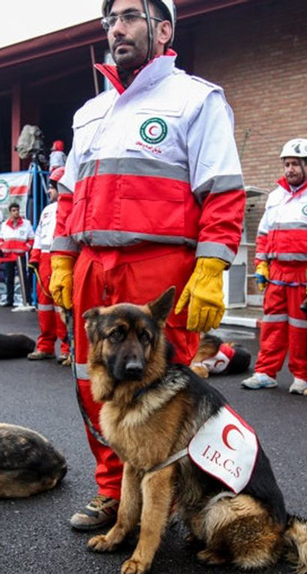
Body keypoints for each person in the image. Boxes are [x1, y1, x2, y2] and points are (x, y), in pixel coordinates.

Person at [49, 0, 245, 531]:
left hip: (160, 269)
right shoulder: (90, 113)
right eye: (111, 19)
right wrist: (62, 258)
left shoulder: (196, 99)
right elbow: (68, 198)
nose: (118, 27)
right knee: (97, 385)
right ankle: (115, 496)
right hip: (94, 266)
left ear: (163, 28)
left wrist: (210, 270)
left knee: (162, 394)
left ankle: (173, 500)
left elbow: (223, 193)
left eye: (131, 15)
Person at [241, 138, 307, 394]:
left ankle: (302, 376)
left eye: (295, 164)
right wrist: (261, 265)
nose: (289, 169)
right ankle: (265, 372)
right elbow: (263, 235)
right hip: (276, 271)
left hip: (305, 273)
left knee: (300, 327)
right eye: (286, 164)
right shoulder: (276, 197)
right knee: (271, 324)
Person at [27, 168, 70, 363]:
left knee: (62, 304)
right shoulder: (47, 210)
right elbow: (38, 235)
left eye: (52, 187)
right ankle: (45, 346)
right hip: (44, 260)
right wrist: (35, 256)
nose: (48, 191)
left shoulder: (71, 207)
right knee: (44, 306)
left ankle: (67, 348)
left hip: (61, 258)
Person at [0, 203, 34, 307]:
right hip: (8, 257)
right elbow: (1, 239)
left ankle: (27, 300)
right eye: (14, 210)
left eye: (17, 210)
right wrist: (3, 248)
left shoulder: (26, 224)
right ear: (10, 212)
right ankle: (10, 300)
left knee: (23, 277)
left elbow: (32, 239)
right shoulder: (4, 224)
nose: (16, 212)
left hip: (20, 256)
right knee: (9, 279)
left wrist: (25, 248)